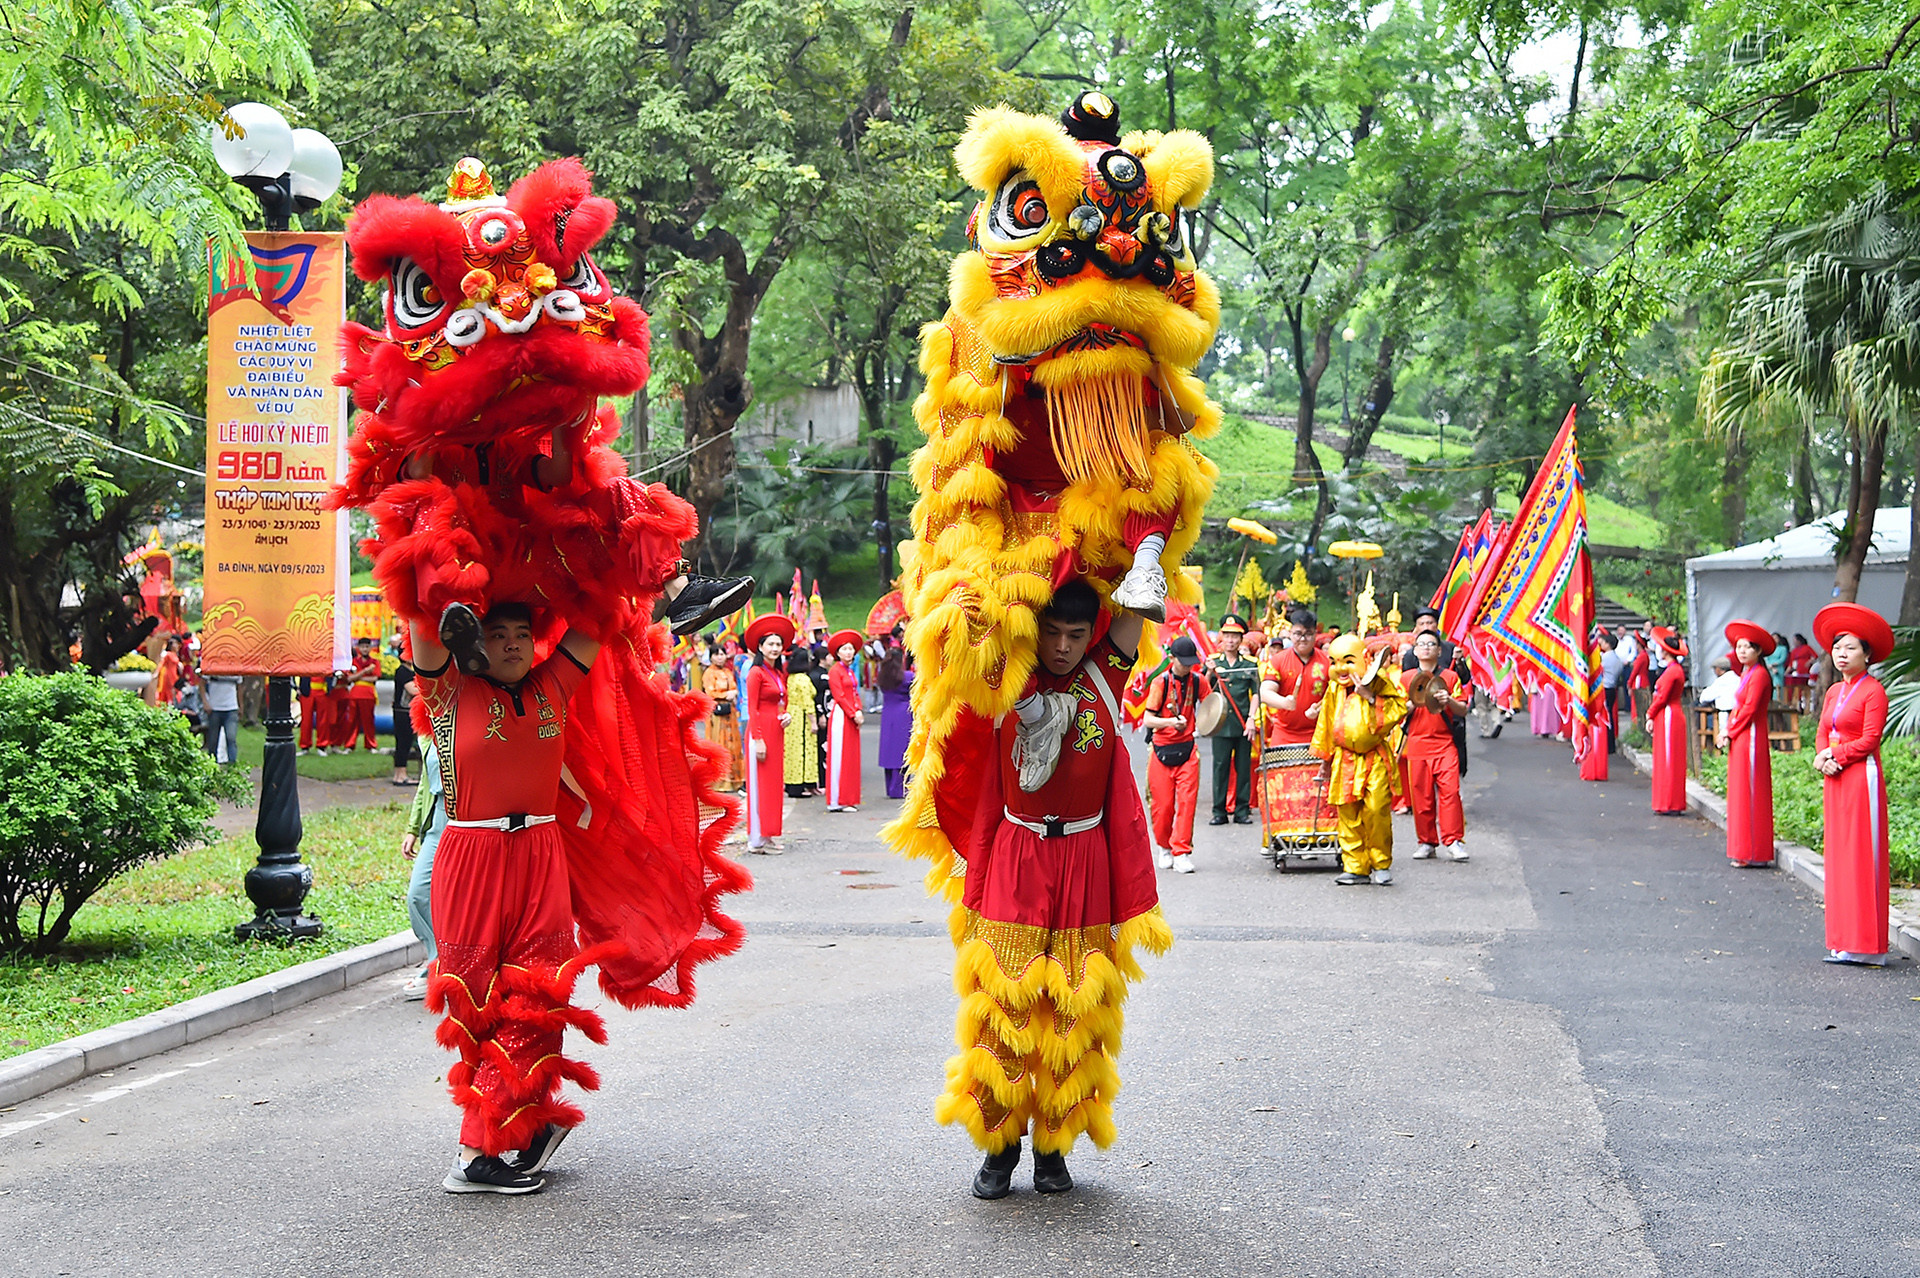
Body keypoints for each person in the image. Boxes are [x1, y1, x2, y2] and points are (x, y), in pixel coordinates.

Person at [937, 578, 1165, 1200]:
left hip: (1085, 856)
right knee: (1006, 1005)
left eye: (1074, 635)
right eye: (1051, 633)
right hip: (1016, 852)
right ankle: (999, 1148)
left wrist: (1145, 541)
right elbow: (967, 620)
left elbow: (1141, 600)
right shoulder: (1005, 678)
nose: (1062, 647)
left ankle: (1051, 1150)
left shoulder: (1105, 679)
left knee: (1072, 1005)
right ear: (1032, 631)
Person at [407, 600, 603, 1195]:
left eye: (524, 633)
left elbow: (600, 619)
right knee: (479, 1002)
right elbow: (422, 619)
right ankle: (476, 1153)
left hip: (541, 853)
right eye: (498, 634)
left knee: (540, 994)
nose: (514, 644)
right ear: (472, 641)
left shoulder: (553, 686)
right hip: (471, 858)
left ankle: (521, 1126)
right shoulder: (448, 695)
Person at [1812, 602, 1895, 965]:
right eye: (1837, 648)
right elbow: (1822, 731)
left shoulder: (1873, 691)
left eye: (1850, 648)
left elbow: (1870, 740)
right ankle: (1844, 938)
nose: (1841, 654)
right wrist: (1820, 757)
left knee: (1861, 854)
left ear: (1867, 654)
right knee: (1840, 857)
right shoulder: (1833, 691)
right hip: (1835, 777)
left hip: (1861, 777)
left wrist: (1837, 756)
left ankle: (1867, 945)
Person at [1313, 634, 1409, 886]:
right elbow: (1326, 722)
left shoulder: (1379, 682)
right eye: (1334, 662)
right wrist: (1325, 759)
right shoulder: (1334, 688)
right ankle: (1355, 866)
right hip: (1343, 760)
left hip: (1373, 759)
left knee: (1376, 810)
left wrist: (1369, 696)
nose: (1341, 668)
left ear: (1364, 659)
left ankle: (1380, 862)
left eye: (1347, 661)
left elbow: (1399, 709)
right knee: (1347, 813)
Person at [1258, 610, 1340, 862]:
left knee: (1316, 787)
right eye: (1297, 634)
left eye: (1307, 634)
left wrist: (1322, 709)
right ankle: (1277, 836)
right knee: (1280, 786)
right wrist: (1284, 702)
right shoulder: (1280, 660)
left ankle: (1316, 834)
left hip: (1317, 734)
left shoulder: (1327, 662)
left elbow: (1337, 695)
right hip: (1285, 732)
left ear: (1315, 634)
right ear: (1289, 634)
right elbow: (1265, 691)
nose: (1302, 639)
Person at [1141, 634, 1212, 873]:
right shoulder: (1160, 683)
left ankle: (1182, 851)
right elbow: (1148, 719)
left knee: (1187, 803)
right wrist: (1171, 721)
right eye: (1183, 661)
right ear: (1172, 658)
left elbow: (1211, 706)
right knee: (1162, 807)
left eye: (1191, 661)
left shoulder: (1198, 680)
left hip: (1188, 749)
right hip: (1161, 749)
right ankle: (1164, 846)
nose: (1187, 666)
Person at [1398, 631, 1467, 861]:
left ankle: (1453, 839)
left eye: (1431, 644)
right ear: (1415, 650)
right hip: (1417, 743)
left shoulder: (1450, 677)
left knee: (1451, 792)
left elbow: (1463, 709)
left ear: (1439, 650)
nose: (1426, 647)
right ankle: (1426, 841)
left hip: (1444, 743)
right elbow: (1395, 711)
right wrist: (1411, 704)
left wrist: (1449, 701)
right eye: (1421, 644)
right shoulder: (1405, 679)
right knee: (1421, 795)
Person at [1719, 620, 1776, 867]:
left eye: (1747, 647)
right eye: (1739, 646)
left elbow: (1750, 709)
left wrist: (1729, 732)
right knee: (1740, 791)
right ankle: (1744, 848)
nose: (1742, 651)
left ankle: (1753, 850)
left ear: (1759, 651)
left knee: (1750, 790)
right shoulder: (1747, 673)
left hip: (1751, 736)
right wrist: (1728, 731)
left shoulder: (1760, 675)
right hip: (1742, 735)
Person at [400, 739, 447, 998]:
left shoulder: (471, 715)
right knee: (418, 895)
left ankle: (449, 970)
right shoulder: (427, 731)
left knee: (461, 901)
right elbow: (425, 784)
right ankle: (437, 962)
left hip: (470, 818)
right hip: (437, 820)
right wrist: (412, 828)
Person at [743, 614, 793, 852]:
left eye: (778, 644)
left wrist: (787, 715)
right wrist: (758, 739)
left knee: (773, 784)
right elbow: (751, 707)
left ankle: (769, 833)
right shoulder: (756, 673)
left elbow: (782, 701)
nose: (775, 648)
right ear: (760, 647)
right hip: (761, 731)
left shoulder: (778, 674)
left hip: (776, 731)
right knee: (760, 783)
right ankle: (756, 839)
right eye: (770, 644)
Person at [1204, 614, 1259, 826]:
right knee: (1220, 767)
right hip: (1220, 724)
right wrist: (1209, 671)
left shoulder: (1250, 663)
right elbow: (1204, 690)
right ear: (1221, 637)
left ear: (1241, 639)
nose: (1230, 640)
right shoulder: (1214, 661)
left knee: (1243, 767)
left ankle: (1242, 810)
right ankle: (1219, 811)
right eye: (1227, 635)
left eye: (1235, 636)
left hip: (1243, 723)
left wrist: (1252, 719)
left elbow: (1256, 693)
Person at [1645, 630, 1690, 816]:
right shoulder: (1673, 670)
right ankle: (1667, 800)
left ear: (1665, 651)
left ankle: (1670, 802)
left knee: (1669, 758)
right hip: (1667, 714)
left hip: (1669, 714)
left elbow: (1662, 697)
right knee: (1666, 757)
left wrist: (1650, 713)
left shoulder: (1672, 672)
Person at [824, 629, 865, 812]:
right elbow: (839, 696)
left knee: (850, 757)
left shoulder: (849, 671)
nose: (849, 652)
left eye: (851, 649)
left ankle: (848, 798)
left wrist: (859, 710)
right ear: (837, 653)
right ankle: (837, 799)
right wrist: (852, 713)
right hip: (841, 715)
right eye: (845, 649)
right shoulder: (835, 671)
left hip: (852, 714)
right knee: (840, 755)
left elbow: (854, 692)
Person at [701, 640, 743, 792]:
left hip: (730, 713)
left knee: (733, 744)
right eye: (717, 655)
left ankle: (734, 779)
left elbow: (734, 687)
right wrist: (726, 695)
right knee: (719, 743)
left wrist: (733, 693)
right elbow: (710, 692)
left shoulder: (727, 671)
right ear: (711, 657)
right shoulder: (709, 673)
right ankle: (719, 781)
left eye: (722, 654)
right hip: (716, 715)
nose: (720, 657)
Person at [878, 643, 914, 800]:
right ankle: (900, 787)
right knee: (902, 750)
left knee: (889, 751)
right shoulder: (907, 677)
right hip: (903, 714)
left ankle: (890, 787)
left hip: (888, 713)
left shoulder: (882, 676)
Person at [784, 646, 820, 798]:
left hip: (791, 713)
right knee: (804, 749)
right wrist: (813, 722)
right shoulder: (804, 679)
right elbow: (807, 702)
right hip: (802, 716)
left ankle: (793, 784)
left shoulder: (791, 677)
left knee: (792, 751)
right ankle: (802, 783)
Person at [346, 636, 381, 751]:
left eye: (367, 647)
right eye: (362, 647)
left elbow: (374, 678)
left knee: (368, 720)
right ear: (358, 648)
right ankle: (350, 745)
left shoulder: (375, 662)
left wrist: (359, 677)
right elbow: (349, 679)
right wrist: (365, 672)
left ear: (370, 648)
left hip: (368, 694)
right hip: (355, 694)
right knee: (351, 720)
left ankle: (370, 744)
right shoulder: (354, 662)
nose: (365, 649)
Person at [201, 669, 242, 765]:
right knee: (213, 740)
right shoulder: (212, 667)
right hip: (214, 708)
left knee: (231, 738)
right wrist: (205, 702)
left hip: (231, 708)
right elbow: (201, 684)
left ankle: (232, 765)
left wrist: (241, 706)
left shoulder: (235, 668)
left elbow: (239, 688)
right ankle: (212, 765)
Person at [390, 656, 417, 785]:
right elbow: (412, 690)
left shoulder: (409, 671)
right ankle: (401, 774)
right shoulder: (403, 671)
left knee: (403, 743)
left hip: (404, 711)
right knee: (404, 743)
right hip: (403, 712)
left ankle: (399, 774)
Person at [1785, 633, 1818, 712]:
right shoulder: (1794, 651)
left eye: (1795, 640)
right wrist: (1786, 673)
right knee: (1795, 687)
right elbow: (1791, 663)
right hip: (1796, 670)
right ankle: (1796, 704)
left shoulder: (1807, 648)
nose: (1794, 642)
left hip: (1805, 670)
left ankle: (1806, 706)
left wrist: (1810, 661)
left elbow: (1815, 656)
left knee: (1805, 688)